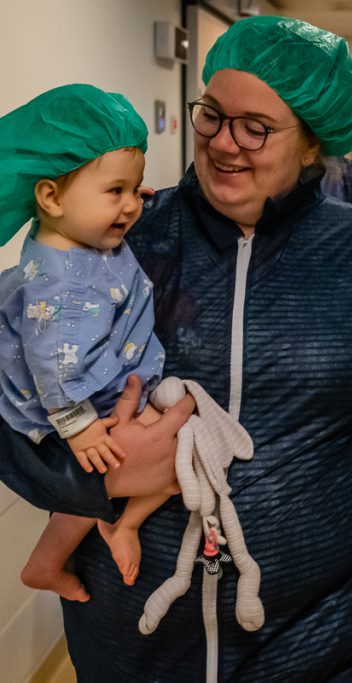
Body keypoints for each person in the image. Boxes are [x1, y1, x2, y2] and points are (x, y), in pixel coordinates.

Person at [0, 16, 352, 681]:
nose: (222, 143)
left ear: (313, 144)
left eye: (255, 127)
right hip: (138, 635)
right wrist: (104, 476)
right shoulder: (121, 246)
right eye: (211, 115)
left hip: (328, 627)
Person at [0, 84, 188, 601]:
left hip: (99, 380)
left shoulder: (69, 232)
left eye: (135, 189)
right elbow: (54, 363)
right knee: (176, 456)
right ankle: (78, 545)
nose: (130, 206)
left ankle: (112, 523)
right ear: (51, 196)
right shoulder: (66, 286)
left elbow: (100, 218)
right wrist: (80, 430)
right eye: (116, 193)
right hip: (83, 401)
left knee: (170, 457)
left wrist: (122, 201)